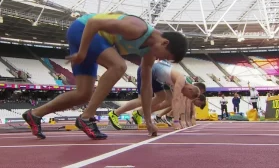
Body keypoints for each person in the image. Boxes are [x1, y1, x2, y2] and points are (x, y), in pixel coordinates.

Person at [22, 12, 188, 140]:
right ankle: (86, 118)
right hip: (84, 29)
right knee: (119, 65)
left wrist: (148, 121)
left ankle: (35, 114)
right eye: (165, 56)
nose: (160, 60)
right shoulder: (137, 28)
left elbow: (146, 86)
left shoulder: (149, 53)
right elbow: (94, 23)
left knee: (83, 94)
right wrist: (82, 52)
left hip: (96, 41)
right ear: (164, 43)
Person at [108, 60, 206, 130]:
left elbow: (175, 100)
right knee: (142, 100)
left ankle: (139, 113)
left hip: (156, 75)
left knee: (162, 96)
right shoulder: (180, 81)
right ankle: (115, 113)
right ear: (189, 89)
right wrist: (176, 121)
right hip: (147, 69)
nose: (183, 94)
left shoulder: (181, 81)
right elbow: (176, 100)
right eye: (185, 94)